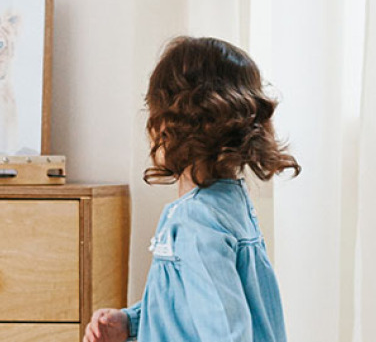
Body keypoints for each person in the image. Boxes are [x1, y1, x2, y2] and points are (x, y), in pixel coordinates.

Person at [84, 36, 300, 342]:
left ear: (168, 125)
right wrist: (130, 322)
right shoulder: (231, 203)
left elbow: (226, 331)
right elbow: (189, 305)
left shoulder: (195, 221)